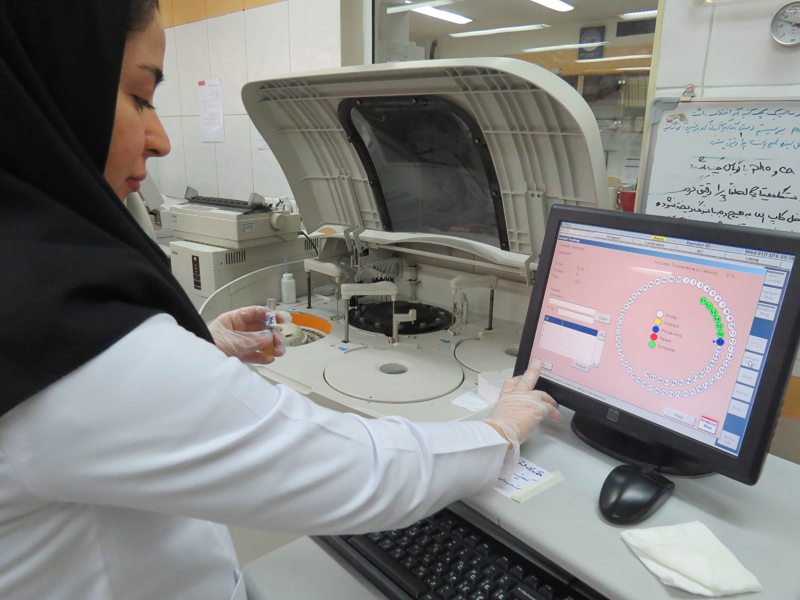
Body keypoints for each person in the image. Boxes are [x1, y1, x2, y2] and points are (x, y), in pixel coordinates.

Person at [0, 2, 561, 599]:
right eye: (140, 97)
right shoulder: (61, 336)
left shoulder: (28, 281)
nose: (159, 140)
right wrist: (499, 430)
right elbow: (355, 472)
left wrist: (191, 349)